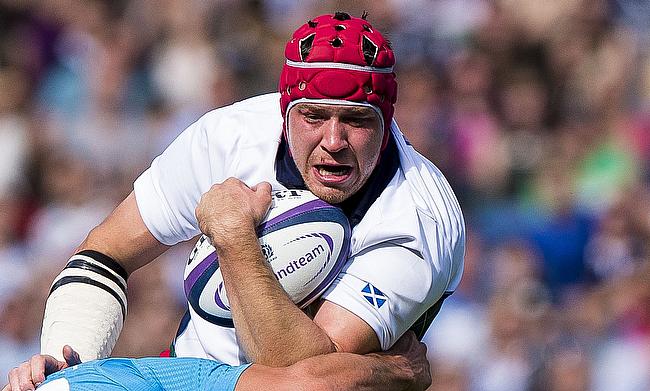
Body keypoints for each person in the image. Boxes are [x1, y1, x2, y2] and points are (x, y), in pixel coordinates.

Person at [5, 11, 464, 390]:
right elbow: (104, 254)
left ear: (388, 119)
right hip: (191, 373)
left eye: (357, 120)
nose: (333, 140)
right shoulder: (228, 138)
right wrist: (63, 362)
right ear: (285, 111)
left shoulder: (418, 220)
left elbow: (297, 377)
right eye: (314, 116)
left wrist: (234, 238)